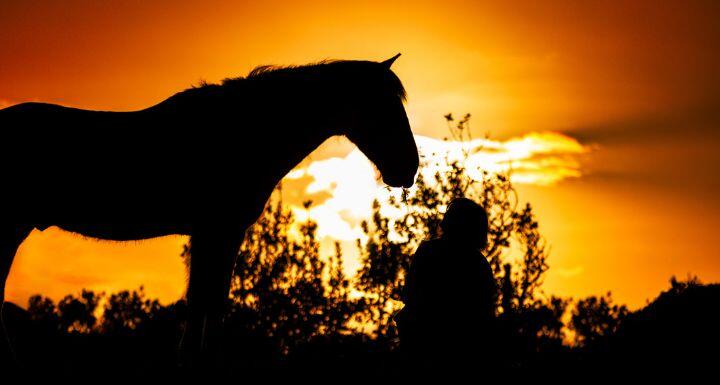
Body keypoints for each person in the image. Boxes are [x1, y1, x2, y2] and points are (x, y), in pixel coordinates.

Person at [397, 197, 496, 372]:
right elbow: (485, 316)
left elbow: (412, 296)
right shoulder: (479, 265)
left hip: (426, 351)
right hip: (462, 355)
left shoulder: (428, 252)